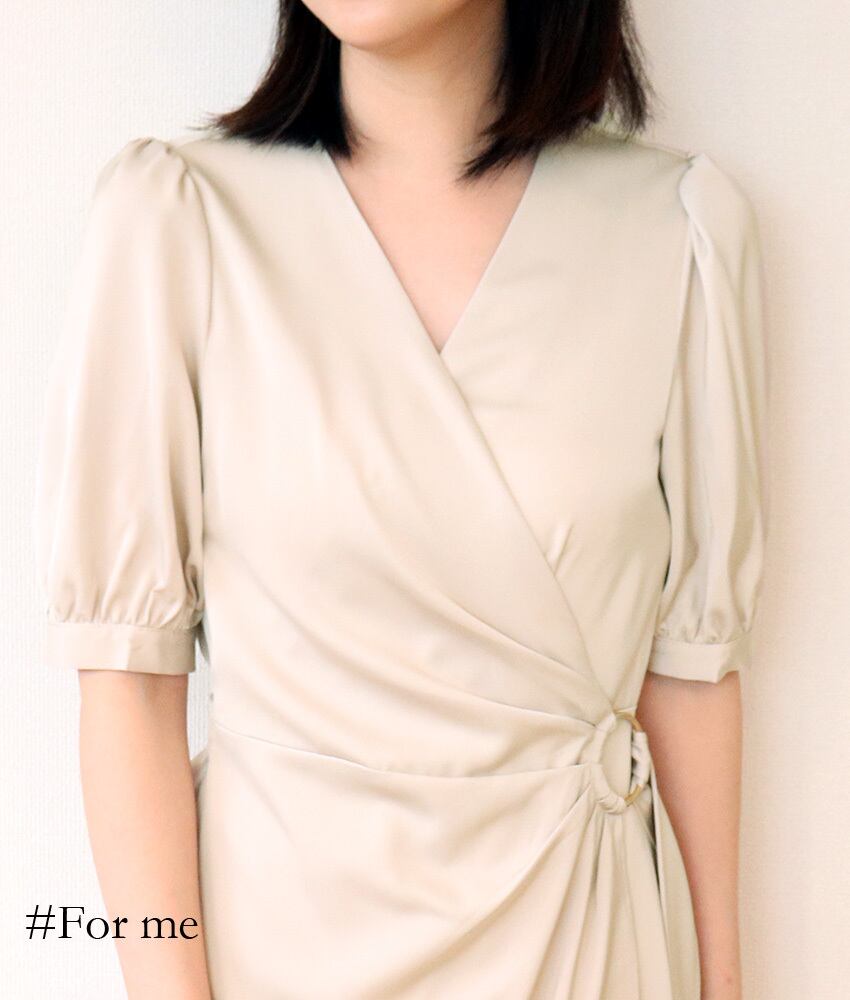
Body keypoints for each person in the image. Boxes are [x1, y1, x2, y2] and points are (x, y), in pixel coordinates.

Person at [32, 1, 767, 998]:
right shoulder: (178, 216)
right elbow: (127, 682)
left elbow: (692, 669)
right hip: (280, 953)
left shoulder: (680, 229)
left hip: (584, 948)